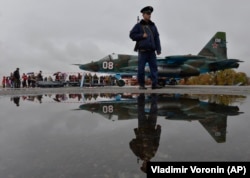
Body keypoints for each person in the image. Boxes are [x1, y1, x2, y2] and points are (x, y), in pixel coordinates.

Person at [130, 6, 162, 89]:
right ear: (143, 15)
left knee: (154, 68)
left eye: (150, 14)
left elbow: (157, 37)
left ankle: (154, 84)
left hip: (152, 51)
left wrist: (158, 49)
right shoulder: (138, 25)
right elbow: (132, 35)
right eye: (147, 14)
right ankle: (141, 85)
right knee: (141, 69)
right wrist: (141, 35)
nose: (149, 15)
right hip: (142, 51)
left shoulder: (153, 26)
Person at [129, 94, 161, 173]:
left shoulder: (139, 154)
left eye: (144, 167)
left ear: (142, 165)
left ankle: (141, 95)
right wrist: (159, 130)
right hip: (151, 127)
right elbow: (156, 142)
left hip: (142, 128)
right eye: (146, 167)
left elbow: (131, 143)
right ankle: (154, 95)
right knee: (154, 109)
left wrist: (138, 140)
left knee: (140, 110)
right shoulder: (152, 154)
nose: (145, 165)